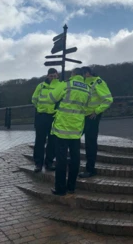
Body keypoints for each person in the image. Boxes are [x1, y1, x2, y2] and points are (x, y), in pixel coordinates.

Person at [47, 68, 92, 196]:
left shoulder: (66, 84)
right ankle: (71, 187)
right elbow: (89, 107)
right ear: (82, 75)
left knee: (61, 159)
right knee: (75, 157)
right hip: (77, 128)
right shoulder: (88, 88)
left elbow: (51, 98)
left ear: (73, 74)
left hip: (62, 127)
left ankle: (60, 189)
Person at [79, 66, 113, 178]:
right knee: (75, 140)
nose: (83, 75)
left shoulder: (98, 82)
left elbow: (108, 99)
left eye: (84, 73)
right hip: (82, 116)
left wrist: (97, 111)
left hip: (91, 117)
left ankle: (90, 169)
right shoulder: (83, 82)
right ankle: (82, 167)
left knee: (90, 143)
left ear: (88, 73)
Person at [31, 68, 60, 172]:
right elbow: (34, 99)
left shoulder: (60, 85)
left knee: (52, 141)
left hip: (53, 116)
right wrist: (40, 108)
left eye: (54, 76)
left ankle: (49, 162)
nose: (53, 78)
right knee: (39, 141)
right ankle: (38, 163)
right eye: (51, 76)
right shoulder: (41, 86)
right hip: (41, 116)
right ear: (47, 76)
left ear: (57, 75)